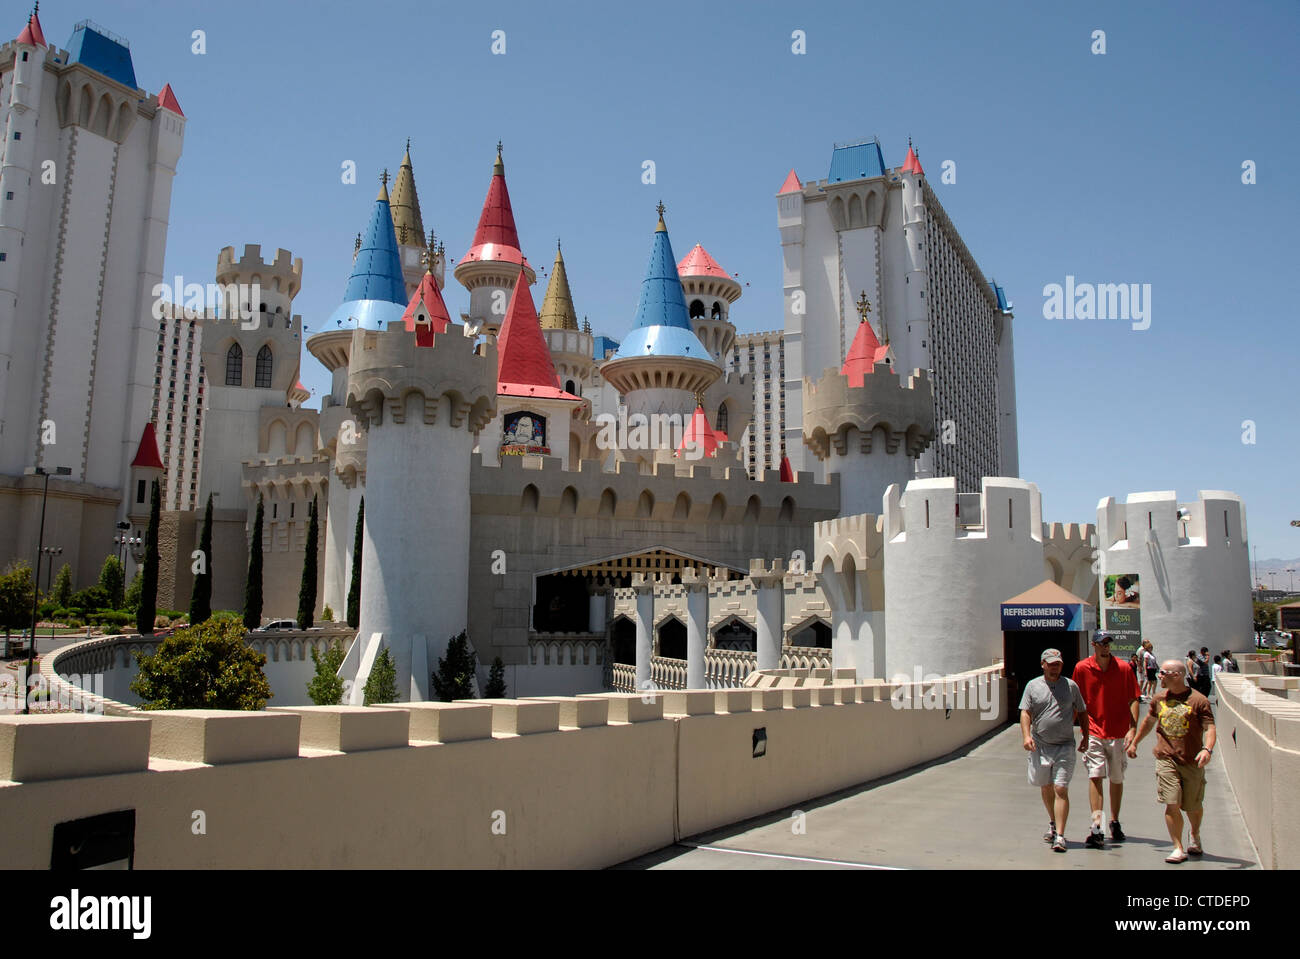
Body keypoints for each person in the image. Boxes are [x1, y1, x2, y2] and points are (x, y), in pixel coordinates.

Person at [1128, 660, 1216, 864]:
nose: (1159, 676)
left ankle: (1194, 834)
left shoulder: (1199, 700)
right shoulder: (1158, 699)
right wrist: (1134, 743)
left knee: (1193, 806)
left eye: (1163, 673)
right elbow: (1149, 722)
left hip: (1192, 760)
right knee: (1172, 803)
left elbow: (1210, 728)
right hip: (1166, 758)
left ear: (1176, 675)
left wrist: (1207, 749)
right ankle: (1177, 847)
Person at [1071, 631, 1141, 848]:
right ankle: (1097, 826)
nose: (1105, 647)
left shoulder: (1123, 668)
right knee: (1095, 775)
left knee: (1117, 778)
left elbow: (1133, 699)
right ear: (1094, 645)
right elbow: (1075, 700)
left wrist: (1133, 729)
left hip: (1118, 731)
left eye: (1108, 643)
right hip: (1092, 730)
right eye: (1102, 643)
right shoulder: (1082, 668)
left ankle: (1114, 820)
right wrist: (1071, 730)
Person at [1020, 648, 1089, 853]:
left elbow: (1082, 711)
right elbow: (1025, 713)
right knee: (1046, 786)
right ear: (1043, 664)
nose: (1054, 667)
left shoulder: (1071, 686)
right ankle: (1052, 821)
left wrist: (1086, 735)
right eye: (1050, 663)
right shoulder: (1033, 686)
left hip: (1065, 745)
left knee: (1060, 788)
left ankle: (1060, 834)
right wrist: (1026, 736)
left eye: (1057, 663)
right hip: (1041, 746)